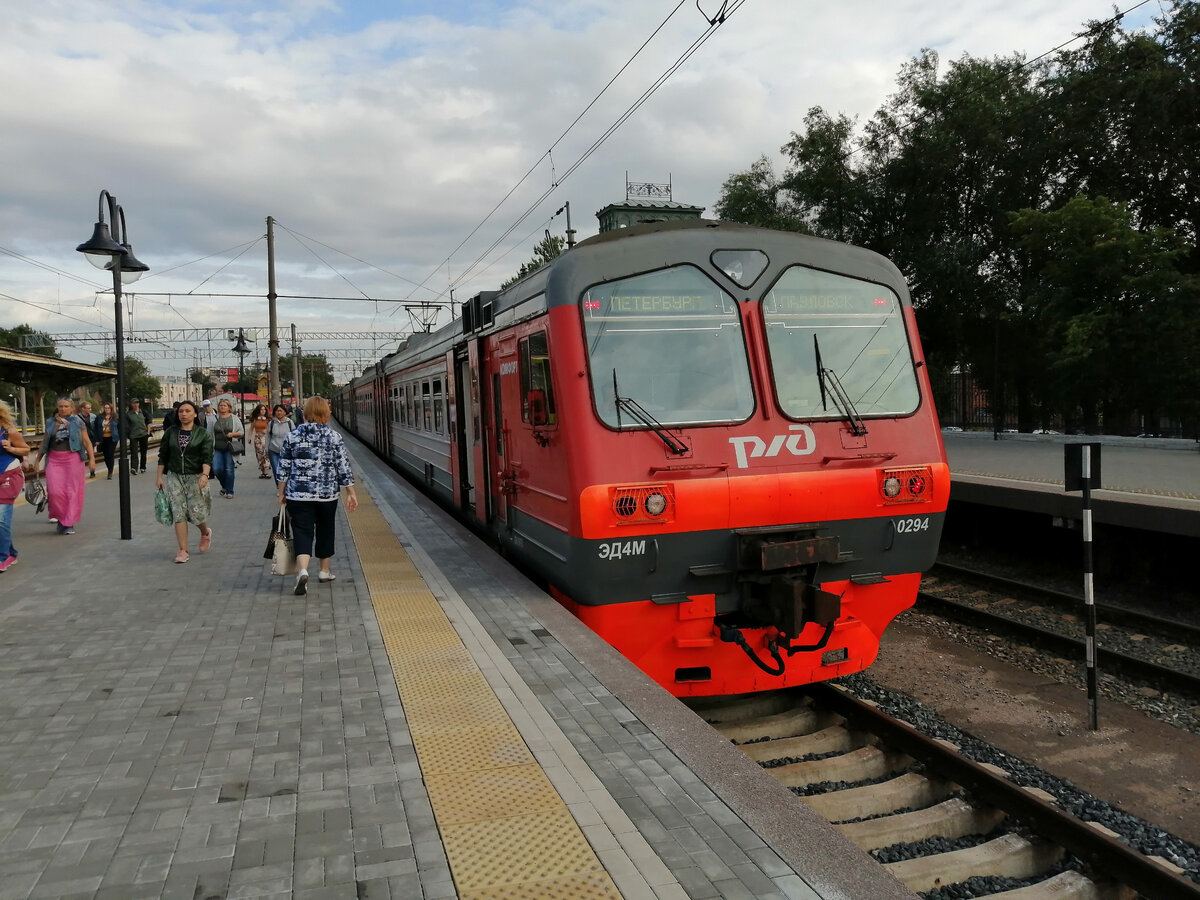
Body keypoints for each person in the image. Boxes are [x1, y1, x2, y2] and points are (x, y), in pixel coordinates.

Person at [277, 396, 357, 596]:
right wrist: (351, 492)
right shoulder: (334, 437)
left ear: (304, 413)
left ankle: (303, 570)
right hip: (327, 495)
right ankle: (324, 571)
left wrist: (281, 492)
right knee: (325, 529)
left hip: (298, 494)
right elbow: (343, 467)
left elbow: (283, 467)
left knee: (302, 531)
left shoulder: (292, 436)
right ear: (326, 413)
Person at [154, 400, 214, 564]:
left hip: (195, 476)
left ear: (195, 414)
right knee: (178, 512)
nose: (184, 414)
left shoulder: (202, 434)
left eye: (188, 411)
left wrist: (204, 475)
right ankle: (183, 550)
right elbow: (163, 456)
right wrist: (159, 477)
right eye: (181, 411)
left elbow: (207, 456)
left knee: (196, 513)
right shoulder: (170, 433)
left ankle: (205, 532)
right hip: (174, 475)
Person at [33, 397, 97, 535]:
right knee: (55, 492)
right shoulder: (51, 422)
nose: (62, 408)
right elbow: (44, 443)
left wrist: (92, 459)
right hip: (54, 460)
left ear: (72, 408)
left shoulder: (78, 422)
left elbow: (86, 442)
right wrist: (38, 460)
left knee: (71, 493)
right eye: (60, 406)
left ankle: (67, 523)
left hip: (73, 459)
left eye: (66, 406)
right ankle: (60, 517)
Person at [0, 400, 31, 571]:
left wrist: (11, 448)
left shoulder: (8, 432)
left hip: (9, 475)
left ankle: (3, 557)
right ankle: (11, 553)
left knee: (1, 519)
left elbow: (25, 449)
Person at [211, 398, 244, 499]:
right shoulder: (214, 418)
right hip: (217, 448)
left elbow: (241, 432)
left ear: (229, 407)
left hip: (230, 448)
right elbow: (209, 432)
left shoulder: (234, 418)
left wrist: (232, 434)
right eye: (221, 405)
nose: (222, 407)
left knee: (229, 469)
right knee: (216, 469)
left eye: (224, 405)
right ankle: (224, 486)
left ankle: (230, 491)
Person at [93, 401, 120, 480]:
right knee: (105, 455)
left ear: (111, 409)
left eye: (108, 408)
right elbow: (95, 428)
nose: (107, 409)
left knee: (110, 454)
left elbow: (120, 427)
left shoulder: (116, 417)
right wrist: (97, 439)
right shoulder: (99, 417)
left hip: (112, 438)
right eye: (105, 408)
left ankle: (110, 472)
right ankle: (109, 468)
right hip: (103, 438)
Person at [266, 404, 294, 481]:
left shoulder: (290, 423)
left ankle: (285, 487)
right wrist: (266, 449)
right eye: (277, 411)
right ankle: (279, 487)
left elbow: (294, 436)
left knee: (286, 470)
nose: (278, 413)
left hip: (286, 450)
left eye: (280, 411)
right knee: (276, 470)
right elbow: (268, 436)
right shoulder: (271, 423)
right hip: (273, 450)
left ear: (285, 412)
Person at [125, 398, 149, 474]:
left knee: (143, 452)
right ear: (131, 405)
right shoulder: (128, 414)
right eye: (134, 403)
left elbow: (149, 421)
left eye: (137, 403)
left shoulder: (143, 412)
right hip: (133, 435)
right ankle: (134, 468)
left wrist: (148, 431)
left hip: (143, 434)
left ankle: (143, 467)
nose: (135, 405)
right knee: (134, 452)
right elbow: (127, 425)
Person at [249, 403, 272, 479]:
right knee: (260, 455)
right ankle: (262, 471)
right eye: (261, 409)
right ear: (258, 410)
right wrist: (249, 437)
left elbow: (271, 429)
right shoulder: (255, 419)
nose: (263, 411)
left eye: (264, 409)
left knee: (266, 454)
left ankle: (266, 472)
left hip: (265, 438)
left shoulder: (268, 419)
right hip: (257, 438)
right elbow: (251, 429)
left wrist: (267, 432)